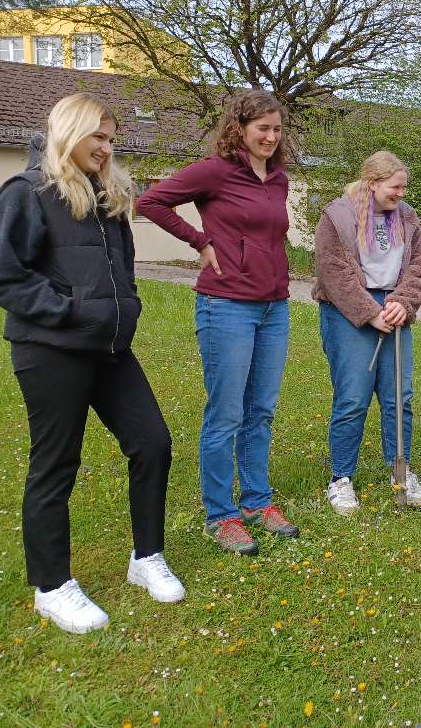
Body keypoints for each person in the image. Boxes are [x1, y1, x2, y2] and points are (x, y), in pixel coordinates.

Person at [0, 93, 185, 633]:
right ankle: (51, 586)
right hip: (50, 351)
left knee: (152, 442)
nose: (106, 147)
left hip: (110, 349)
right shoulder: (26, 193)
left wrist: (126, 307)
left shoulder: (107, 198)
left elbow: (122, 270)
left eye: (111, 139)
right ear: (70, 133)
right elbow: (2, 275)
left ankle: (146, 558)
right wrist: (70, 312)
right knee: (56, 464)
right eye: (99, 136)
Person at [136, 89, 298, 555]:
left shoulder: (279, 179)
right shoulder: (216, 172)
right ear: (240, 128)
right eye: (262, 128)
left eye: (277, 128)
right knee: (226, 413)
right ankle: (221, 514)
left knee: (261, 410)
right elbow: (151, 202)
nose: (271, 136)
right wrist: (199, 240)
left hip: (274, 307)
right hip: (226, 306)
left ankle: (256, 502)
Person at [312, 151, 421, 512]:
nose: (401, 194)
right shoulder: (337, 216)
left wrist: (403, 303)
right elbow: (333, 272)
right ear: (373, 182)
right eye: (396, 187)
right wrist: (369, 312)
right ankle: (341, 478)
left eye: (404, 187)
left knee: (399, 396)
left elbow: (419, 266)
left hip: (394, 306)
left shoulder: (407, 216)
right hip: (347, 311)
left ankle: (400, 470)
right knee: (352, 397)